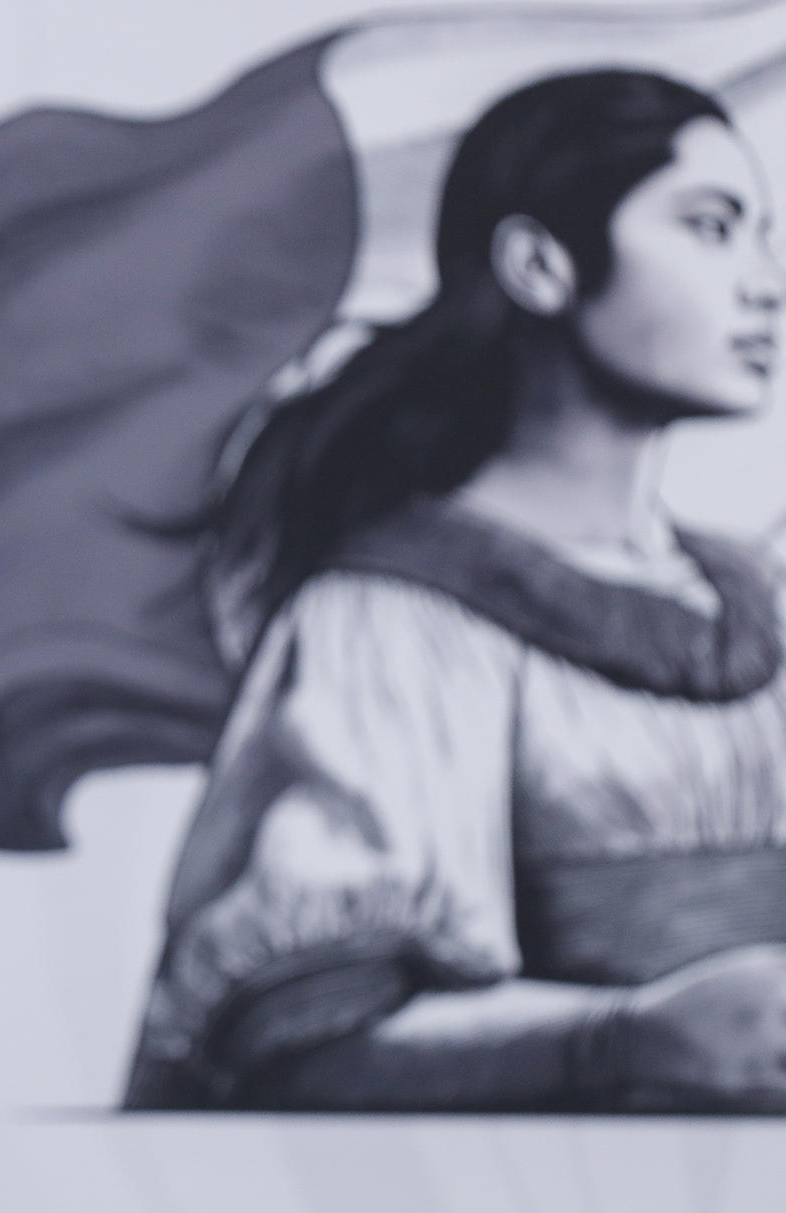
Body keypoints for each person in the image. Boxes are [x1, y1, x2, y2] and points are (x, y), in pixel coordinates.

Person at [125, 70, 786, 1110]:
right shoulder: (389, 623)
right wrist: (628, 1039)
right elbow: (298, 1040)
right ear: (539, 264)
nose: (765, 282)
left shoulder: (761, 593)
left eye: (764, 235)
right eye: (711, 228)